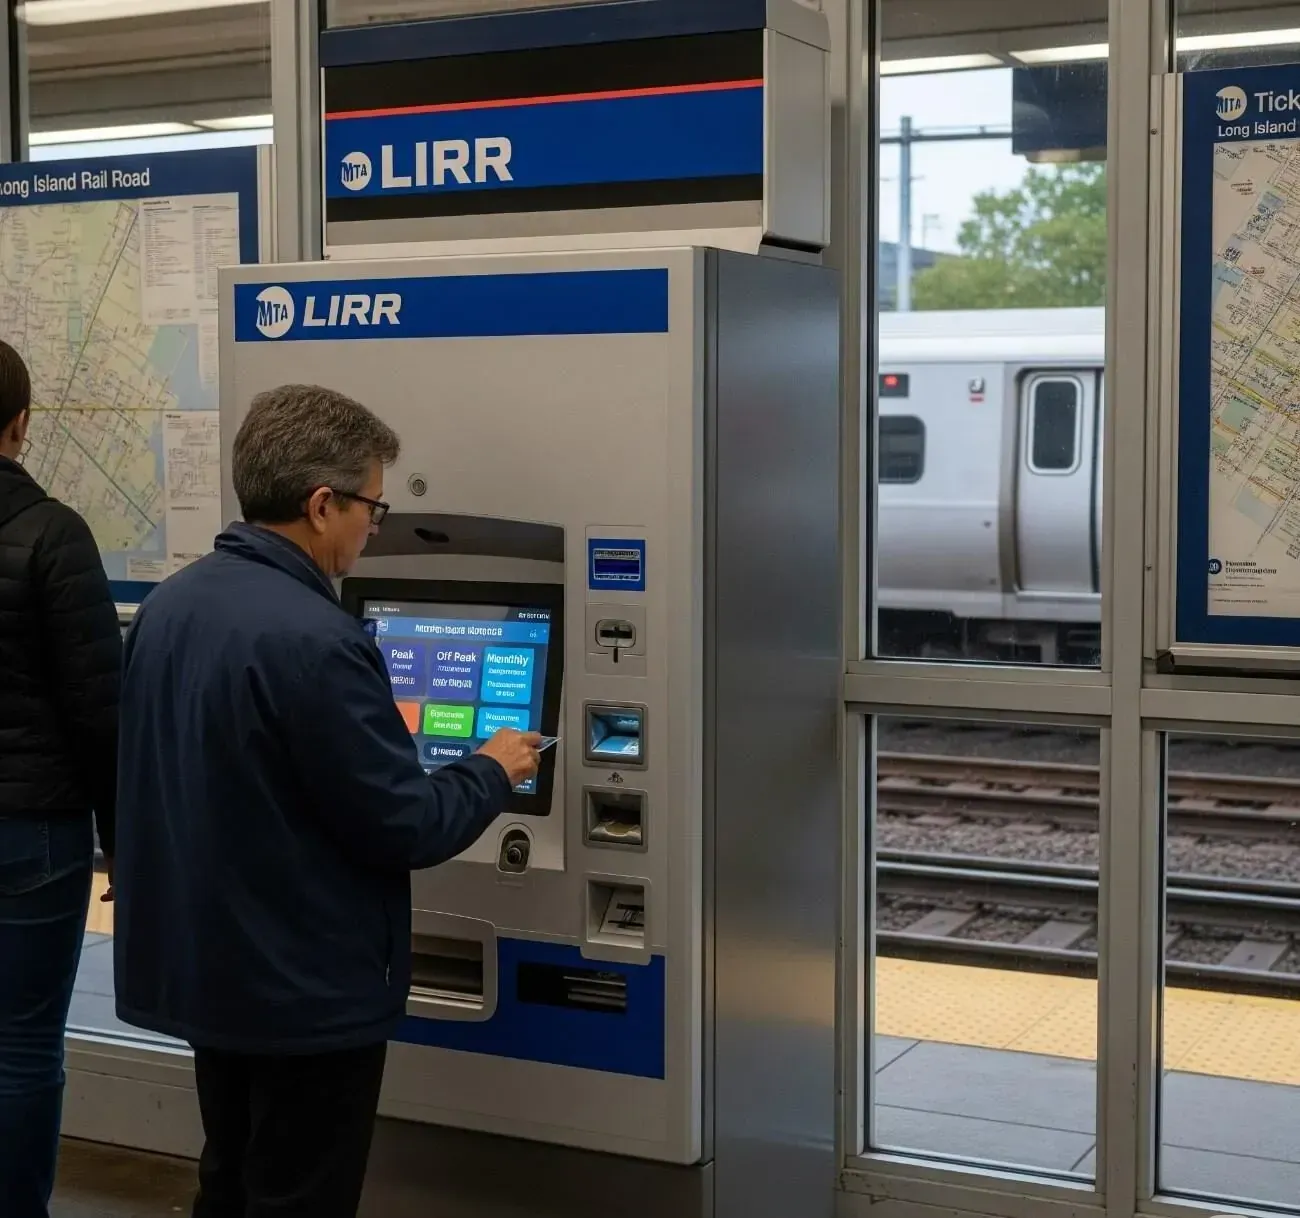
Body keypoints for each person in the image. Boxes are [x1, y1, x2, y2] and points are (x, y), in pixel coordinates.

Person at [114, 384, 540, 1218]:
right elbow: (407, 823)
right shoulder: (319, 640)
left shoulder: (169, 606)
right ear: (320, 505)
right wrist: (492, 769)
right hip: (303, 991)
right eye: (372, 507)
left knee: (230, 1177)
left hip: (213, 971)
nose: (374, 529)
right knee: (299, 1195)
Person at [0, 339, 122, 1218]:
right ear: (20, 424)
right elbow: (99, 712)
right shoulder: (52, 534)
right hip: (32, 835)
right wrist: (126, 847)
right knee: (22, 1047)